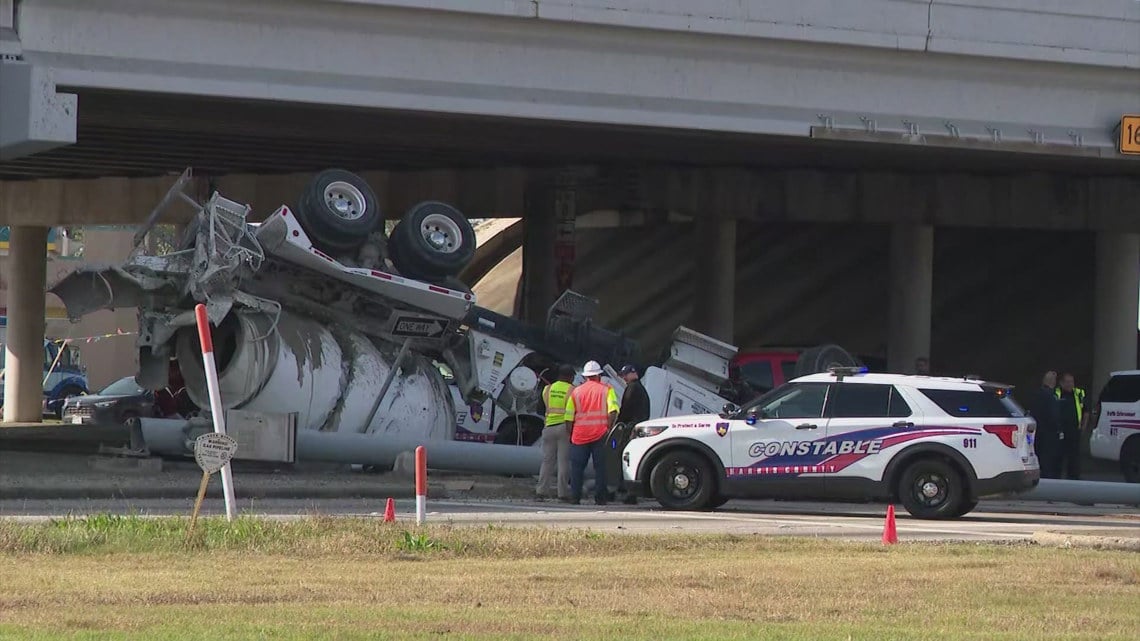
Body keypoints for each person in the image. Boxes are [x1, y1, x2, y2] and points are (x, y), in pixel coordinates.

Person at [564, 360, 620, 505]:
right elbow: (613, 411)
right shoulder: (607, 390)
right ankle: (600, 498)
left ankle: (575, 497)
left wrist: (571, 434)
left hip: (579, 435)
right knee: (600, 468)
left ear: (585, 377)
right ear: (599, 375)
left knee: (577, 468)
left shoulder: (576, 392)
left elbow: (569, 416)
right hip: (600, 434)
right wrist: (609, 428)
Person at [610, 364, 650, 505]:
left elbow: (626, 408)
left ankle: (628, 493)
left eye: (625, 375)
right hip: (638, 426)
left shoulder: (632, 388)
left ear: (633, 373)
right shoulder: (641, 389)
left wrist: (618, 423)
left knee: (626, 459)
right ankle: (625, 490)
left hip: (631, 428)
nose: (624, 378)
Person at [536, 364, 575, 502]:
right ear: (570, 377)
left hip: (548, 427)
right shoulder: (572, 390)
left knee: (547, 461)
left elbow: (540, 409)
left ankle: (541, 491)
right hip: (564, 428)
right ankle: (562, 494)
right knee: (563, 462)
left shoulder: (547, 389)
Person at [1054, 372, 1089, 480]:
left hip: (1074, 430)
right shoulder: (1056, 393)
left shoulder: (1079, 394)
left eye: (1071, 382)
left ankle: (1074, 478)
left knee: (1074, 457)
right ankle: (1056, 478)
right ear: (1061, 383)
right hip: (1060, 431)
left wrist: (1083, 426)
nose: (1070, 384)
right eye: (1067, 382)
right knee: (1058, 456)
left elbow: (1086, 411)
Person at [1031, 370, 1061, 478]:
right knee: (1048, 460)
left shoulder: (1037, 393)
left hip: (1038, 431)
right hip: (1049, 433)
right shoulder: (1050, 396)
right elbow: (1054, 415)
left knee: (1040, 457)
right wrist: (1058, 428)